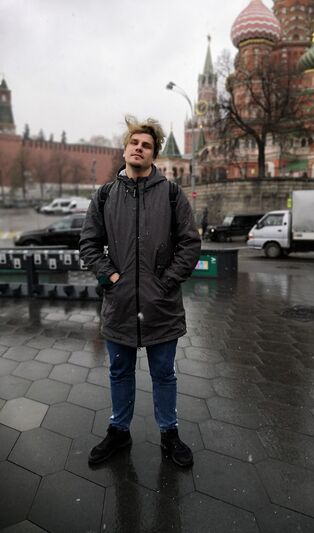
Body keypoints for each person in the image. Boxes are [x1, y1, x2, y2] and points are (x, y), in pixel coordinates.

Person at [80, 117, 201, 467]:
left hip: (160, 306)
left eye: (146, 145)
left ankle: (169, 434)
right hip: (119, 305)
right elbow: (88, 244)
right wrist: (109, 277)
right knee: (119, 372)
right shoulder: (105, 195)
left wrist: (166, 283)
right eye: (134, 142)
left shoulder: (172, 194)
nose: (139, 148)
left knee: (164, 374)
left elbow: (190, 244)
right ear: (124, 149)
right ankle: (119, 431)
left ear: (153, 154)